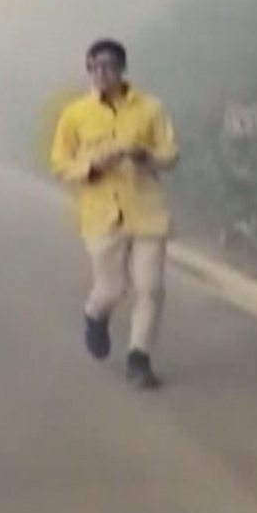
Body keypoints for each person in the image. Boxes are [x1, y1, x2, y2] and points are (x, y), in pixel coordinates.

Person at [50, 38, 178, 389]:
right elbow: (60, 163)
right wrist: (91, 167)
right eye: (94, 67)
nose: (101, 73)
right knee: (112, 288)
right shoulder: (75, 114)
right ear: (88, 70)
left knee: (151, 288)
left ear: (122, 68)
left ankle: (140, 358)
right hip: (100, 214)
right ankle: (95, 315)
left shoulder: (150, 108)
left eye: (108, 66)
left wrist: (146, 155)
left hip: (147, 211)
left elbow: (170, 153)